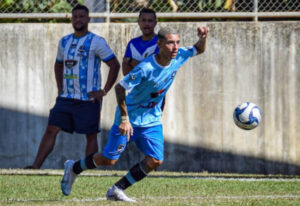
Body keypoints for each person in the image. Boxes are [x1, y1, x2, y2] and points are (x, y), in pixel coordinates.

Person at [60, 26, 209, 202]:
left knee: (155, 160)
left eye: (177, 42)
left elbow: (198, 49)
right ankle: (74, 168)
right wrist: (124, 119)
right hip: (129, 119)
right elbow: (120, 88)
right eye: (170, 43)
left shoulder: (180, 56)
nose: (175, 47)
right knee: (109, 159)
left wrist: (203, 38)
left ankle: (117, 189)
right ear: (160, 44)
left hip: (151, 120)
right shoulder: (145, 67)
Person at [26, 5, 120, 169]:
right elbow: (58, 65)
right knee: (51, 129)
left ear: (88, 19)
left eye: (82, 16)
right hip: (66, 98)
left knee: (90, 136)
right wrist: (60, 88)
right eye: (75, 16)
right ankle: (34, 167)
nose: (78, 20)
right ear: (71, 19)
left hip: (88, 99)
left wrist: (104, 91)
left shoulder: (96, 41)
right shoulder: (64, 41)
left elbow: (114, 65)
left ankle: (88, 170)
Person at [122, 8, 159, 76]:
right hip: (134, 85)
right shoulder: (132, 43)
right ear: (139, 22)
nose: (146, 24)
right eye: (143, 20)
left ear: (155, 23)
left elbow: (153, 70)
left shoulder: (160, 43)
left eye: (150, 21)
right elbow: (126, 71)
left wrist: (131, 61)